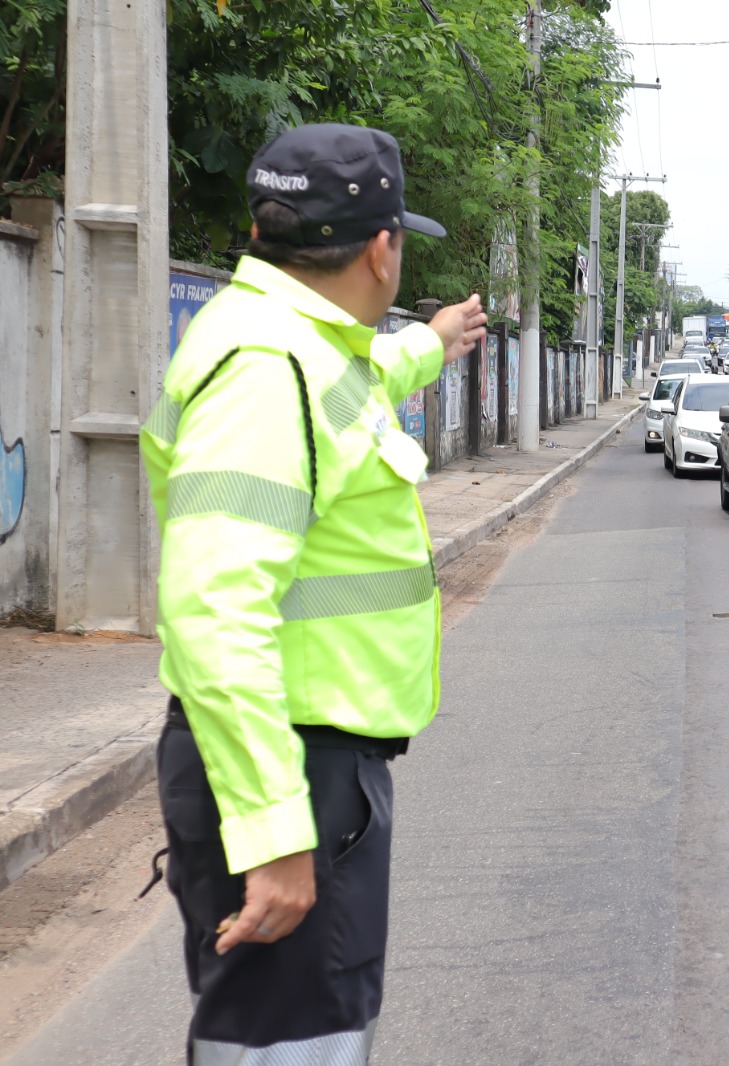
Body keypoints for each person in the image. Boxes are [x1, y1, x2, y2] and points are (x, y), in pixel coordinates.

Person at [139, 123, 487, 1063]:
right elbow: (214, 611)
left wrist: (434, 340)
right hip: (290, 771)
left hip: (309, 764)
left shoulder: (295, 342)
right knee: (290, 1046)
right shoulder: (268, 371)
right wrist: (273, 830)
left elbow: (360, 385)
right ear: (382, 248)